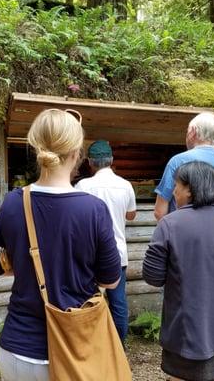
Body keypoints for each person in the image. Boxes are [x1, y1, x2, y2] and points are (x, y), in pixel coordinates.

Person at [0, 109, 122, 381]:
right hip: (73, 352)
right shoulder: (93, 210)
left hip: (15, 351)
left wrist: (25, 267)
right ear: (77, 153)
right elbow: (111, 281)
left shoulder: (13, 202)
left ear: (36, 146)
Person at [143, 161, 214, 381]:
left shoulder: (169, 225)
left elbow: (153, 276)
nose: (174, 192)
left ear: (189, 189)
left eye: (176, 186)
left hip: (190, 334)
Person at [75, 140, 137, 344]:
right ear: (111, 161)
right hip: (117, 253)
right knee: (118, 302)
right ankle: (119, 346)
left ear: (90, 163)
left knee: (88, 301)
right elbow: (130, 215)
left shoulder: (83, 186)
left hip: (88, 256)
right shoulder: (125, 185)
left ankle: (91, 344)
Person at [154, 112, 214, 220]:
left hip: (185, 233)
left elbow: (160, 212)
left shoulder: (178, 161)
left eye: (187, 131)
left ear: (192, 131)